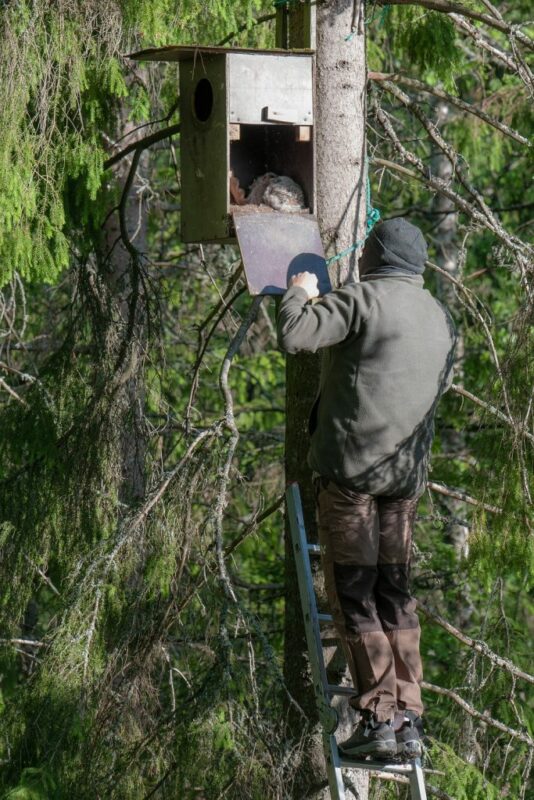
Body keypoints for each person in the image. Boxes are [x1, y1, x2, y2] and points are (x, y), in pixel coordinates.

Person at [277, 218, 456, 759]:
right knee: (394, 595)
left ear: (372, 257)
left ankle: (379, 719)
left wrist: (298, 291)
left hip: (353, 480)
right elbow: (437, 383)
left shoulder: (364, 299)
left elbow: (295, 334)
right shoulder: (440, 316)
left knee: (355, 594)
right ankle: (409, 719)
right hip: (403, 484)